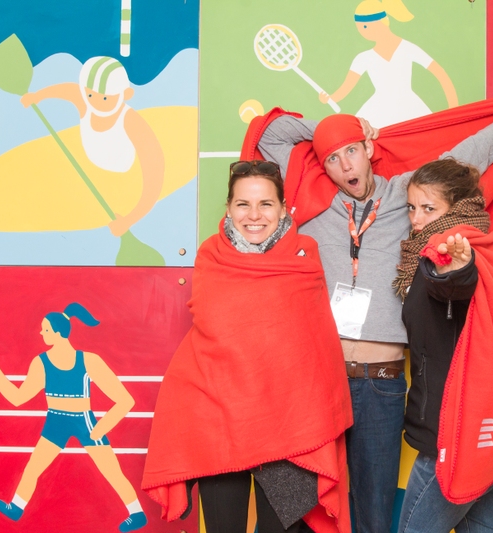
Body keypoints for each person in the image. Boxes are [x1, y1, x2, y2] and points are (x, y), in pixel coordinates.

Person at [254, 95, 493, 533]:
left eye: (352, 151)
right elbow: (270, 134)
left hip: (381, 382)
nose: (345, 165)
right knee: (298, 498)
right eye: (332, 158)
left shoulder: (410, 196)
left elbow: (477, 149)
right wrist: (333, 130)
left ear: (369, 149)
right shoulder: (314, 203)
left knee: (373, 507)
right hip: (319, 379)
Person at [142, 161, 353, 533]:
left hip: (290, 425)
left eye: (266, 204)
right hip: (221, 421)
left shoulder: (304, 256)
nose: (254, 215)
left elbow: (315, 348)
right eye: (243, 204)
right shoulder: (211, 256)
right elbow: (215, 335)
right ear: (229, 208)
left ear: (283, 209)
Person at [390, 159, 493, 532]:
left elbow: (456, 285)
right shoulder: (438, 252)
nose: (417, 219)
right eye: (412, 207)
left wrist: (454, 270)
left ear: (457, 208)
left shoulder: (453, 252)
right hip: (480, 426)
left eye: (429, 209)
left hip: (452, 428)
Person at [0, 302, 147, 532]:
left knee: (111, 470)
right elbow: (18, 398)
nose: (41, 333)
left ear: (58, 333)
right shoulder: (41, 362)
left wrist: (102, 427)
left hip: (84, 420)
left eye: (45, 329)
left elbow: (125, 400)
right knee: (33, 467)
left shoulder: (89, 360)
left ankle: (137, 513)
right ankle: (17, 507)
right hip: (56, 421)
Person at [21, 56, 165, 237]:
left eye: (105, 98)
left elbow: (155, 173)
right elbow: (69, 90)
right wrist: (37, 96)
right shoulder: (85, 103)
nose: (95, 101)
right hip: (90, 176)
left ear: (126, 95)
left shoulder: (130, 121)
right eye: (90, 94)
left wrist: (129, 220)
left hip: (122, 185)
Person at [319, 0, 457, 128]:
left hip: (410, 106)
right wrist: (330, 98)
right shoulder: (363, 58)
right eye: (359, 28)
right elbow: (347, 86)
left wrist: (454, 111)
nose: (362, 32)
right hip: (378, 110)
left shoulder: (407, 48)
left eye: (365, 26)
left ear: (383, 21)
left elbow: (441, 74)